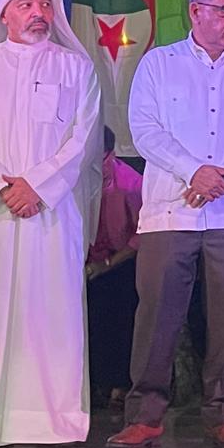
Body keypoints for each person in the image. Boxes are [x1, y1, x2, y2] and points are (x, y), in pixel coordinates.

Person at [110, 0, 224, 448]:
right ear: (195, 11)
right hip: (171, 210)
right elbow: (144, 130)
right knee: (158, 314)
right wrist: (194, 172)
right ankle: (144, 414)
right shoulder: (158, 65)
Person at [0, 0, 102, 447]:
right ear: (4, 13)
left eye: (44, 5)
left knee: (53, 316)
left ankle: (55, 424)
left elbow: (85, 139)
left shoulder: (77, 69)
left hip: (51, 214)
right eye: (26, 5)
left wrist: (37, 186)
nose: (38, 14)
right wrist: (2, 187)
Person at [85, 127, 143, 411]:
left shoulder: (130, 182)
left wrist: (107, 264)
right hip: (84, 264)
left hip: (123, 262)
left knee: (122, 320)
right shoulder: (77, 180)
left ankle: (121, 386)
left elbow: (140, 235)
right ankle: (93, 384)